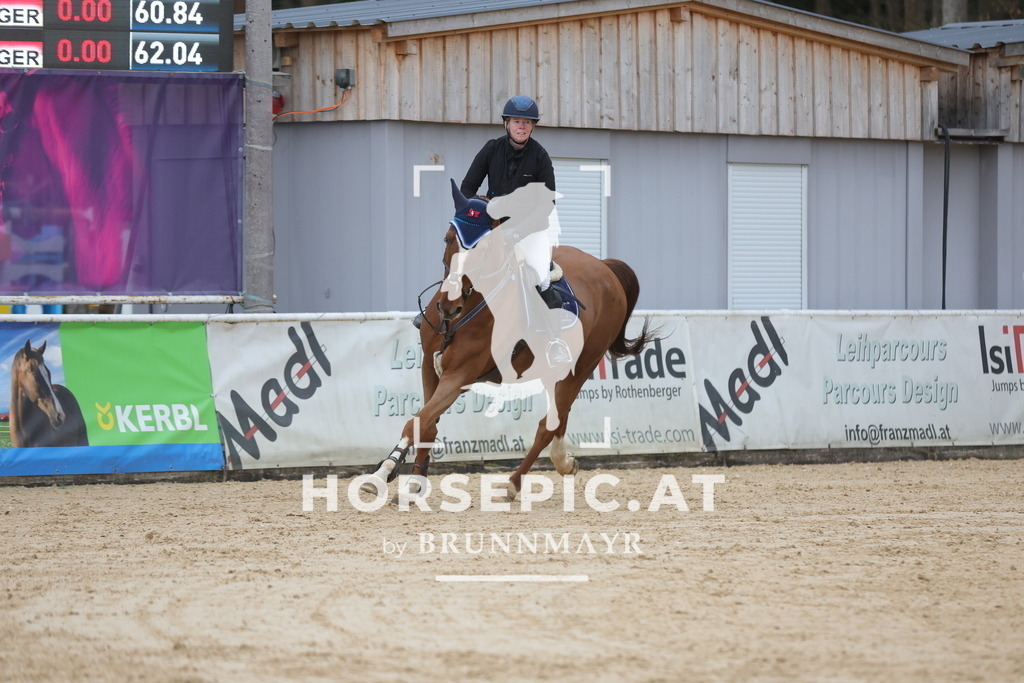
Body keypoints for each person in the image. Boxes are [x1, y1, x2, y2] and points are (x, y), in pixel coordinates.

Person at [460, 96, 571, 366]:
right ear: (507, 124)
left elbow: (547, 204)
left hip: (530, 230)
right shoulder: (491, 149)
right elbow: (467, 189)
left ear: (533, 127)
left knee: (541, 277)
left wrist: (518, 232)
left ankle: (555, 341)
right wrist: (479, 213)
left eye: (527, 123)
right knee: (459, 261)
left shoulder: (540, 156)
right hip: (493, 228)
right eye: (517, 122)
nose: (522, 126)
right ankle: (439, 318)